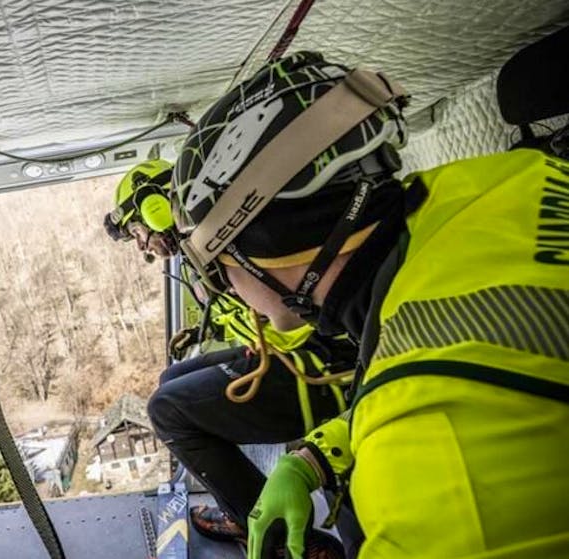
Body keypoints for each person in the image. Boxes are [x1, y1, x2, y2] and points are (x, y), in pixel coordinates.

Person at [170, 50, 569, 559]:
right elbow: (467, 372)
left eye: (222, 266)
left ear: (266, 244)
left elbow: (437, 402)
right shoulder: (506, 178)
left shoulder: (426, 470)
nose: (229, 286)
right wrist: (311, 459)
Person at [105, 162, 356, 558]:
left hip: (322, 362)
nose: (142, 245)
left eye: (138, 232)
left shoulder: (221, 240)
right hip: (284, 348)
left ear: (155, 208)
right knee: (171, 377)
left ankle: (278, 536)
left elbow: (288, 313)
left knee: (166, 410)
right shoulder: (203, 242)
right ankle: (244, 509)